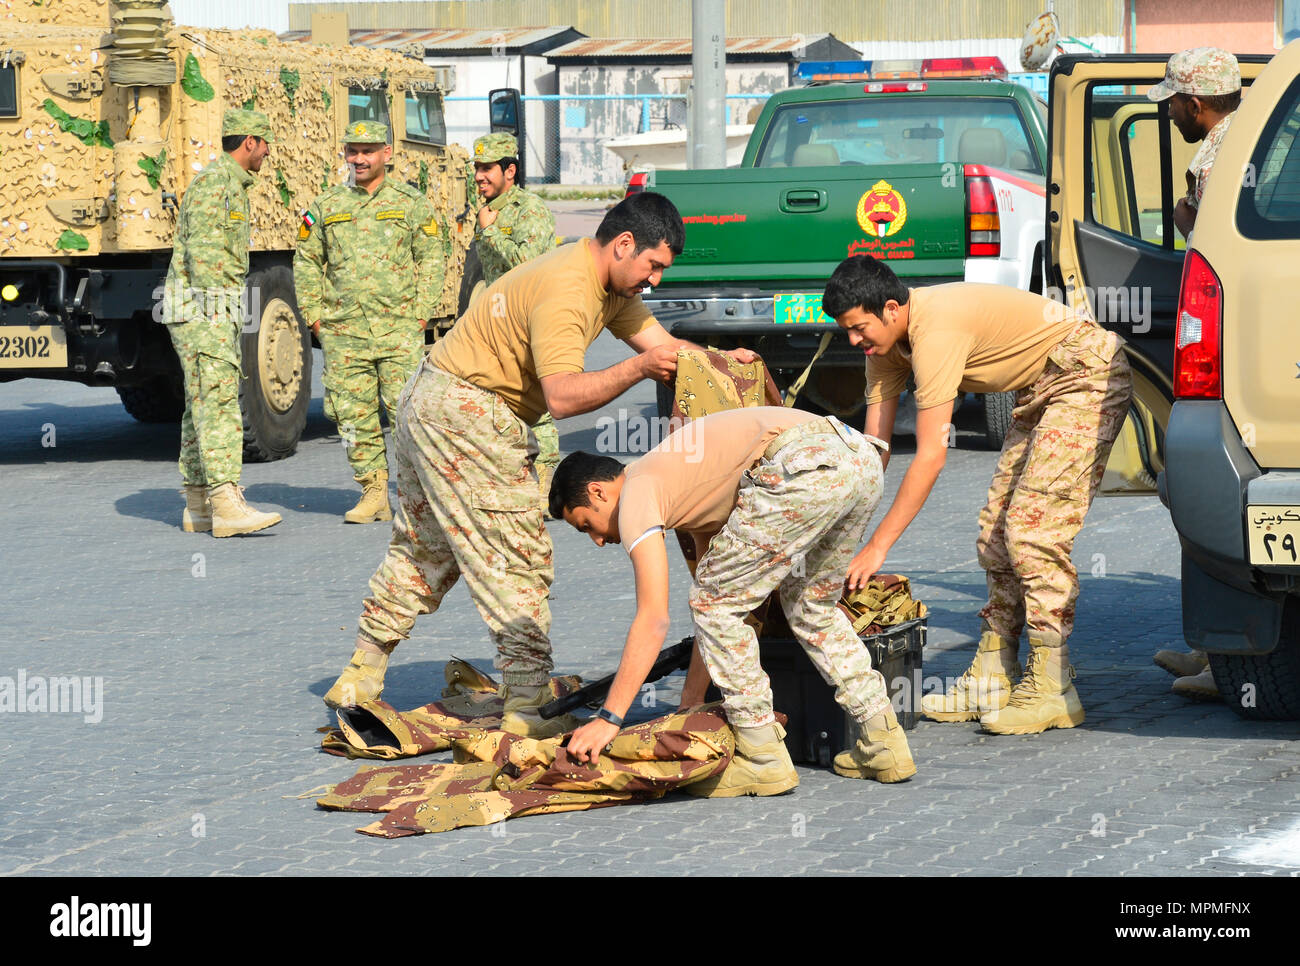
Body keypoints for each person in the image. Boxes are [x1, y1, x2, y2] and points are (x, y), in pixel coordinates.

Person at [322, 193, 751, 737]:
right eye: (654, 266)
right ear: (623, 245)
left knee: (425, 547)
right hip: (467, 413)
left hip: (431, 400)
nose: (656, 281)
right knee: (515, 554)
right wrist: (637, 369)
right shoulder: (569, 290)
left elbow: (665, 347)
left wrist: (717, 361)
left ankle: (361, 674)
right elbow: (564, 398)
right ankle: (527, 705)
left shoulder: (610, 286)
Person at [825, 255, 1132, 735]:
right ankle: (994, 674)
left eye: (859, 328)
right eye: (845, 330)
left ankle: (1054, 688)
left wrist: (878, 547)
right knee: (994, 533)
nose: (853, 340)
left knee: (1033, 532)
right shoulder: (882, 349)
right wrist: (841, 538)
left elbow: (930, 456)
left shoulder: (936, 331)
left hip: (1086, 374)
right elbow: (876, 453)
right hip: (1039, 390)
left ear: (889, 308)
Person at [549, 407, 915, 796]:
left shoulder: (638, 492)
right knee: (810, 607)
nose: (598, 540)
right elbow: (721, 605)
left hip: (805, 465)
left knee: (713, 603)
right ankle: (884, 741)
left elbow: (655, 618)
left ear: (597, 491)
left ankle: (763, 759)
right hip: (857, 457)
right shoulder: (681, 483)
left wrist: (609, 718)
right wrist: (690, 702)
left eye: (586, 524)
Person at [1146, 47, 1241, 699]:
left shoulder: (1212, 158)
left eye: (1174, 101)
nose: (1170, 111)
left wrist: (1184, 224)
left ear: (1197, 102)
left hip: (1227, 355)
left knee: (1198, 495)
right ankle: (1213, 651)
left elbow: (1214, 248)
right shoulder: (1257, 136)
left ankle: (1223, 659)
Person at [294, 120, 446, 524]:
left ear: (387, 154)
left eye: (368, 151)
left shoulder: (411, 203)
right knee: (351, 413)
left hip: (398, 329)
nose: (359, 158)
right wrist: (314, 317)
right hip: (344, 332)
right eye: (352, 151)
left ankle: (415, 496)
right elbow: (307, 261)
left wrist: (421, 313)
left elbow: (431, 256)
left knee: (407, 415)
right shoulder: (326, 206)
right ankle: (373, 491)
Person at [162, 108, 281, 538]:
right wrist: (220, 317)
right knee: (219, 403)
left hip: (200, 308)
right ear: (248, 141)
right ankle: (226, 503)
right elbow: (208, 259)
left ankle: (198, 505)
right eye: (265, 142)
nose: (267, 152)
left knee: (201, 405)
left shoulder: (227, 184)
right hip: (205, 310)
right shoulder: (218, 186)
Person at [470, 132, 562, 492]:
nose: (479, 176)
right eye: (476, 168)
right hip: (496, 318)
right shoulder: (486, 207)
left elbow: (529, 262)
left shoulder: (531, 210)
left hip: (529, 317)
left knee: (533, 396)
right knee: (499, 396)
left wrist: (490, 232)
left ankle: (549, 477)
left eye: (487, 168)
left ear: (510, 170)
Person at [1148, 47, 1242, 240]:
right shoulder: (1262, 137)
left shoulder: (1214, 169)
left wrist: (1190, 229)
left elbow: (1222, 258)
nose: (1169, 113)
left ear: (1194, 107)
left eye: (1171, 103)